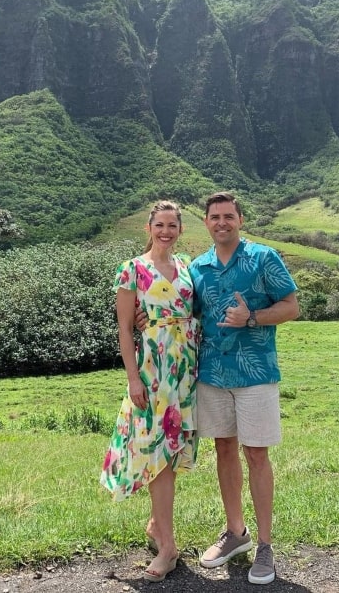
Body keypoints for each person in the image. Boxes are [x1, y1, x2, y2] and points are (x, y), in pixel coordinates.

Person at [188, 191, 299, 585]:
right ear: (206, 222)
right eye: (215, 216)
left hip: (255, 375)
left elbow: (291, 305)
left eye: (228, 216)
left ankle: (265, 545)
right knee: (223, 448)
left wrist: (252, 317)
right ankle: (236, 533)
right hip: (212, 374)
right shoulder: (197, 267)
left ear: (240, 219)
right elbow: (186, 313)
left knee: (256, 454)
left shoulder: (263, 258)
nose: (222, 222)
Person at [100, 200, 198, 583]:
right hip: (153, 372)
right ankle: (169, 547)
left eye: (172, 225)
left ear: (180, 230)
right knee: (156, 452)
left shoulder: (186, 266)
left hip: (186, 372)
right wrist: (133, 378)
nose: (166, 231)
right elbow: (125, 329)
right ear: (148, 227)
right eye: (160, 224)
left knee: (171, 453)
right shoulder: (132, 270)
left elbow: (194, 313)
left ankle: (158, 526)